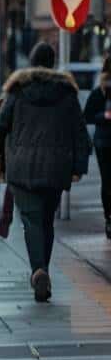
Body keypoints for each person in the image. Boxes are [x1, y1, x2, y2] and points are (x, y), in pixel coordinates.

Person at [0, 41, 91, 303]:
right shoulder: (66, 93)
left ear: (32, 62)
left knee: (31, 221)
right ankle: (42, 273)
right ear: (53, 62)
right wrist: (79, 167)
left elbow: (0, 126)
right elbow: (80, 133)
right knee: (46, 220)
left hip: (21, 168)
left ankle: (39, 271)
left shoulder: (17, 91)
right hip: (56, 168)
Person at [81, 58, 111, 239]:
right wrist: (106, 115)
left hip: (103, 142)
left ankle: (108, 217)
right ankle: (109, 217)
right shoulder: (100, 92)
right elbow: (89, 116)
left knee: (107, 181)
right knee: (107, 181)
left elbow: (88, 116)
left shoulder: (99, 91)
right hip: (105, 142)